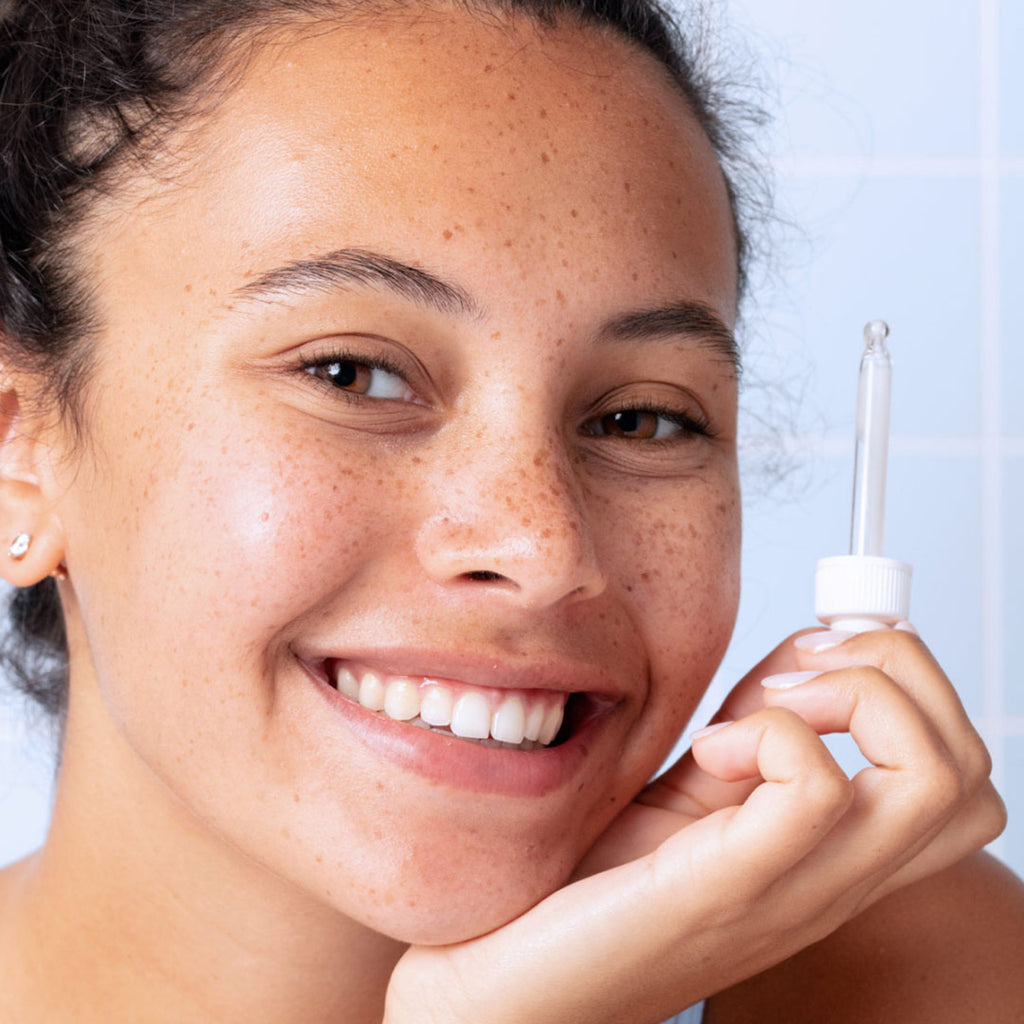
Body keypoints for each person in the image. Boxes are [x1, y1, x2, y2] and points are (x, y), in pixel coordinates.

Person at [0, 1, 1021, 1021]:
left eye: (640, 420)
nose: (542, 543)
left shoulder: (911, 974)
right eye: (352, 373)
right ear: (18, 451)